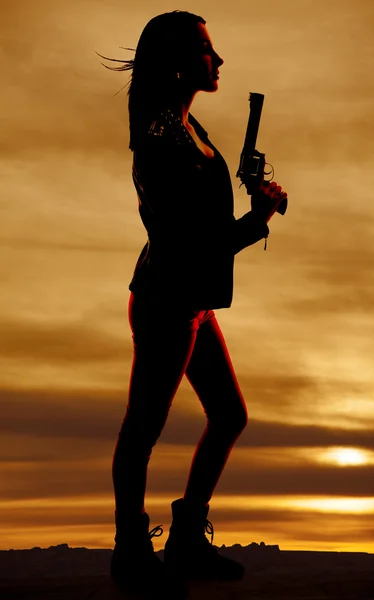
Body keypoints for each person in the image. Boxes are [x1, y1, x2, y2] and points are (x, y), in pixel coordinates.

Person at [98, 10, 287, 600]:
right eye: (209, 50)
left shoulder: (187, 124)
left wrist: (254, 195)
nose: (220, 60)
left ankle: (184, 540)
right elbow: (190, 241)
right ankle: (131, 552)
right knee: (142, 431)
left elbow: (201, 222)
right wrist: (258, 218)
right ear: (180, 62)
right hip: (168, 302)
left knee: (228, 416)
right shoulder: (161, 135)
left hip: (192, 300)